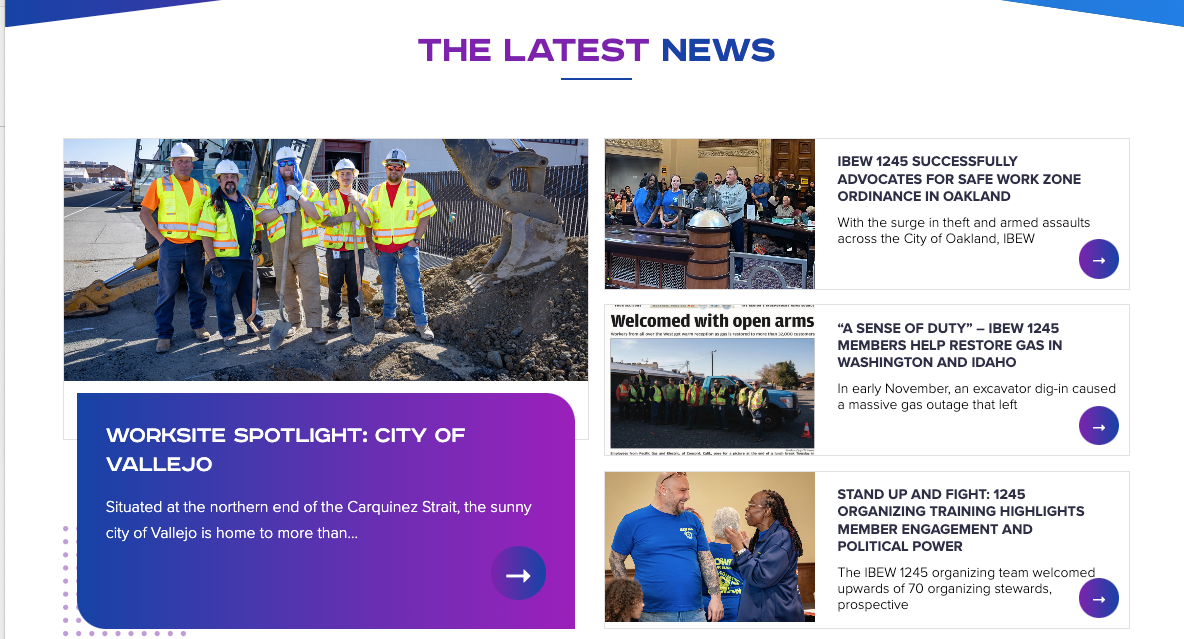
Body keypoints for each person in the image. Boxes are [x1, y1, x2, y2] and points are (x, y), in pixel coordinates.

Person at [609, 472, 725, 622]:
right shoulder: (632, 521)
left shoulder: (693, 520)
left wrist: (716, 598)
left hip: (694, 612)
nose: (688, 496)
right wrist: (628, 599)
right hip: (651, 614)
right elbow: (615, 559)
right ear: (663, 490)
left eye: (688, 490)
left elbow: (706, 560)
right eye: (682, 490)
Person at [138, 142, 212, 353]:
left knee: (197, 290)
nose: (184, 165)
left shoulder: (203, 189)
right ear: (172, 163)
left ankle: (198, 326)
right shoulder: (160, 185)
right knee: (167, 292)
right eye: (180, 161)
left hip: (195, 247)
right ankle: (164, 335)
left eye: (187, 161)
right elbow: (144, 214)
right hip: (170, 247)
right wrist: (161, 240)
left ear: (192, 164)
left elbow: (209, 219)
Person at [195, 160, 271, 347]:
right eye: (225, 177)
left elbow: (258, 226)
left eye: (233, 177)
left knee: (251, 294)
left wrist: (258, 242)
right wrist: (213, 260)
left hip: (247, 259)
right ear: (219, 180)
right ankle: (228, 332)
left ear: (238, 180)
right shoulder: (212, 204)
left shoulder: (246, 201)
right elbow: (205, 235)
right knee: (224, 297)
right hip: (225, 261)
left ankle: (255, 324)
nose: (229, 180)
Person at [256, 146, 327, 343]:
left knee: (311, 286)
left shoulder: (310, 188)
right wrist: (280, 209)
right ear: (278, 167)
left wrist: (299, 197)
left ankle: (316, 326)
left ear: (295, 165)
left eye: (290, 163)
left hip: (305, 248)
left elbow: (317, 215)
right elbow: (260, 216)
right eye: (282, 163)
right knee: (285, 288)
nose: (286, 166)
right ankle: (295, 322)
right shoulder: (271, 191)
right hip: (280, 249)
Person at [365, 148, 436, 340]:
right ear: (386, 168)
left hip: (406, 247)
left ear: (404, 169)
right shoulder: (375, 191)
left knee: (413, 284)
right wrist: (369, 241)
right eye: (391, 167)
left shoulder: (415, 188)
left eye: (398, 167)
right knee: (388, 283)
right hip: (382, 248)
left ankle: (422, 324)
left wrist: (416, 240)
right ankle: (388, 316)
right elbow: (368, 219)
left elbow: (426, 214)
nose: (394, 170)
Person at [721, 490, 806, 622]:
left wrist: (741, 550)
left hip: (773, 617)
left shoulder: (781, 538)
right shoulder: (761, 537)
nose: (746, 509)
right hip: (756, 612)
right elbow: (744, 570)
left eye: (751, 505)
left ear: (767, 511)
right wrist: (740, 550)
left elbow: (762, 576)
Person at [319, 159, 370, 334]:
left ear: (354, 176)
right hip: (335, 250)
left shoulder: (362, 198)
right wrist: (343, 218)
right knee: (334, 286)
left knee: (355, 286)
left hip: (355, 250)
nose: (345, 177)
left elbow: (367, 221)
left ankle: (355, 317)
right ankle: (334, 318)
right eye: (342, 174)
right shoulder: (328, 197)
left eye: (349, 173)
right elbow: (323, 221)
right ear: (337, 177)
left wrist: (356, 204)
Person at [689, 507, 746, 622]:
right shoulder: (744, 552)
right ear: (736, 527)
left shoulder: (702, 552)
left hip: (708, 609)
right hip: (738, 608)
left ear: (714, 525)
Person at [717, 168, 748, 279]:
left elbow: (739, 205)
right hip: (722, 221)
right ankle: (723, 269)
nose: (727, 176)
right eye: (727, 174)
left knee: (738, 246)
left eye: (730, 174)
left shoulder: (741, 188)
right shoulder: (721, 188)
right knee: (723, 246)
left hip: (736, 221)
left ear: (735, 176)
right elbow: (716, 201)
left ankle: (738, 271)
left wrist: (725, 210)